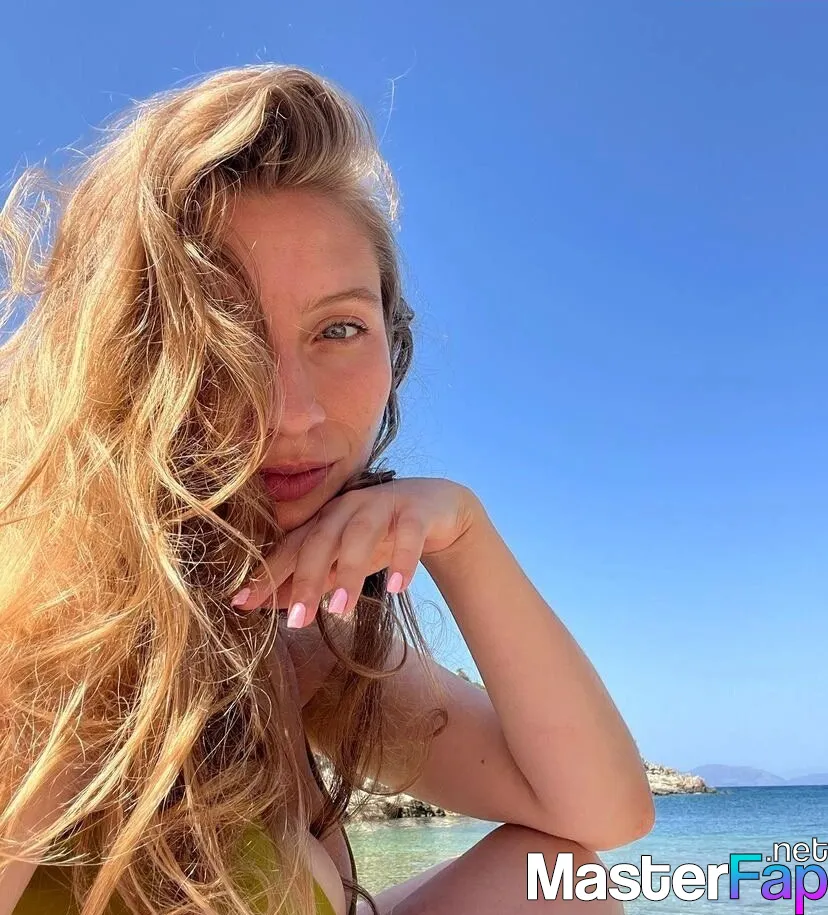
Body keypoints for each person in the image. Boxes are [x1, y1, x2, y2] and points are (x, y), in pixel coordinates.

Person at [0, 63, 654, 915]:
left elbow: (602, 812)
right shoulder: (55, 637)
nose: (293, 412)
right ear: (124, 356)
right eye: (222, 336)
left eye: (339, 328)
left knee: (558, 880)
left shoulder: (298, 641)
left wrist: (464, 534)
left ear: (393, 340)